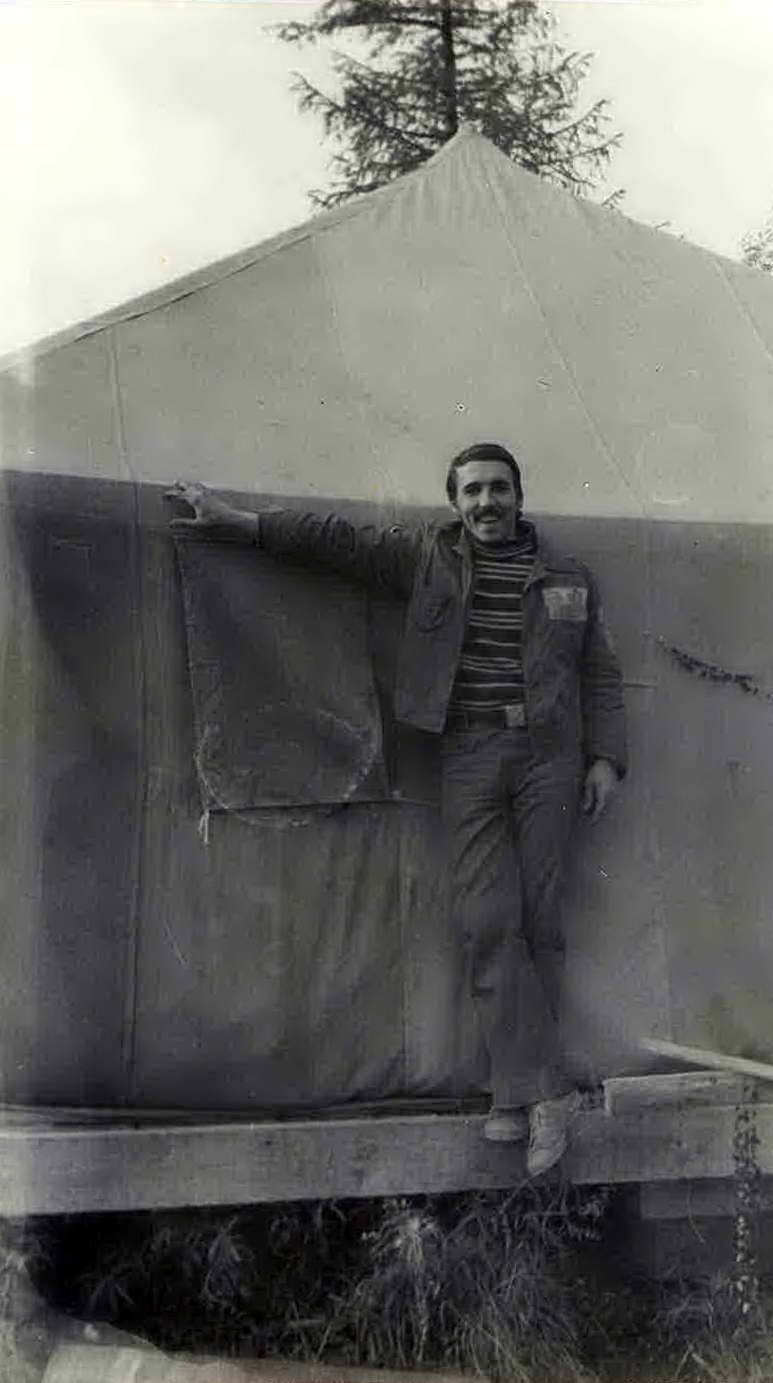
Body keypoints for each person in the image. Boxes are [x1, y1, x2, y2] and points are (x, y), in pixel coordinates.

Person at [166, 441, 627, 1175]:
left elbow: (599, 671)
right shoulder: (428, 559)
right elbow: (335, 543)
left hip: (551, 757)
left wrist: (605, 758)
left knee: (539, 921)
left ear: (519, 495)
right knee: (486, 920)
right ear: (454, 501)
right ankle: (548, 1092)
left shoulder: (568, 575)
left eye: (499, 488)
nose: (486, 502)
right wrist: (236, 521)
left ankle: (515, 1091)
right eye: (472, 491)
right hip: (469, 752)